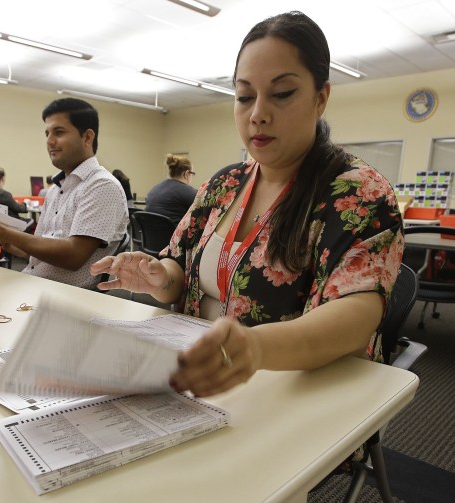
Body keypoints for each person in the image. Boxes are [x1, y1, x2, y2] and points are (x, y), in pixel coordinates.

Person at [90, 11, 404, 399]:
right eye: (244, 97)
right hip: (197, 380)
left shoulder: (357, 194)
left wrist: (255, 348)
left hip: (295, 393)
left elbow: (355, 317)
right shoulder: (225, 184)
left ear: (320, 97)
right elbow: (178, 268)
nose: (258, 114)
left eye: (282, 93)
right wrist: (161, 277)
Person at [0, 98, 128, 290]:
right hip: (34, 284)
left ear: (87, 137)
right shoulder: (56, 190)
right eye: (47, 133)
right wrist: (8, 242)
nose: (49, 141)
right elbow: (42, 250)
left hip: (60, 297)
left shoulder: (102, 186)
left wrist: (5, 232)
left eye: (59, 132)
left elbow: (73, 257)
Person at [144, 154, 198, 224]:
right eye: (192, 174)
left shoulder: (154, 189)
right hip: (172, 234)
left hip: (149, 234)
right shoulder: (189, 192)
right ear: (186, 174)